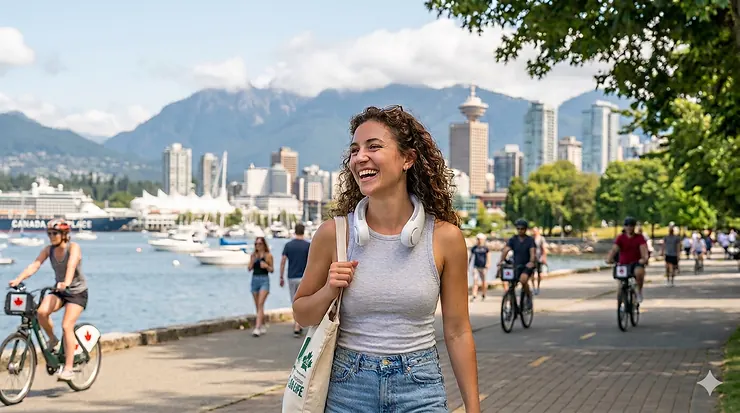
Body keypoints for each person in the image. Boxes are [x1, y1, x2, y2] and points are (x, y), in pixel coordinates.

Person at [292, 105, 480, 412]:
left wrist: (473, 408)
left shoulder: (446, 238)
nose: (359, 157)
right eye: (354, 150)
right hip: (348, 387)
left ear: (407, 159)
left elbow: (458, 330)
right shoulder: (334, 235)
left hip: (420, 387)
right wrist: (329, 289)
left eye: (373, 146)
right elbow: (302, 314)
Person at [8, 218, 88, 382]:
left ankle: (68, 368)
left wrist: (66, 282)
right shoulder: (48, 250)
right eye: (49, 233)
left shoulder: (74, 248)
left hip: (77, 293)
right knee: (41, 312)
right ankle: (53, 340)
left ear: (64, 234)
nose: (51, 236)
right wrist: (18, 279)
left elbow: (72, 265)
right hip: (59, 290)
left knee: (67, 325)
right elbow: (35, 265)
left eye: (55, 233)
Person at [606, 217, 649, 302]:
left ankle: (639, 292)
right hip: (623, 264)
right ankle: (621, 302)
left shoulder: (639, 238)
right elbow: (614, 249)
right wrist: (609, 259)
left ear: (634, 227)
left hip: (636, 263)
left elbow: (643, 249)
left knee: (639, 273)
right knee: (620, 284)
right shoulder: (620, 238)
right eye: (627, 225)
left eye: (631, 225)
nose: (629, 227)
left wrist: (644, 258)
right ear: (624, 227)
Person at [280, 223, 311, 337]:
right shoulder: (308, 246)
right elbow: (312, 262)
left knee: (294, 301)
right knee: (304, 300)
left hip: (291, 276)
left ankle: (296, 325)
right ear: (303, 231)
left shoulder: (288, 245)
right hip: (304, 277)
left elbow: (283, 261)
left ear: (294, 231)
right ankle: (300, 324)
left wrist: (281, 276)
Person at [497, 219, 536, 299]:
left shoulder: (530, 240)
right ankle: (512, 302)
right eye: (518, 229)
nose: (520, 230)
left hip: (526, 265)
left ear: (525, 229)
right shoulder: (513, 239)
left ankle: (528, 297)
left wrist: (531, 262)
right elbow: (506, 250)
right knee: (510, 282)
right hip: (515, 265)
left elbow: (532, 252)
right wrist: (501, 261)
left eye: (522, 229)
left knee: (523, 280)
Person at [248, 236, 273, 337]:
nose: (258, 246)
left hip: (264, 280)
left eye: (259, 244)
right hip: (255, 279)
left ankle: (257, 327)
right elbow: (249, 268)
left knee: (260, 303)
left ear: (264, 245)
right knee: (257, 305)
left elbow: (272, 270)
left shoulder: (268, 256)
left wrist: (266, 266)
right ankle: (262, 325)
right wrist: (252, 262)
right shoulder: (253, 255)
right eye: (256, 244)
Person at [469, 233, 490, 301]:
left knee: (484, 281)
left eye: (480, 239)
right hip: (476, 267)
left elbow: (488, 256)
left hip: (483, 267)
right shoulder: (474, 248)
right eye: (478, 239)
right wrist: (468, 265)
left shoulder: (485, 248)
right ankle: (474, 295)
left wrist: (488, 264)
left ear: (483, 240)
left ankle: (484, 294)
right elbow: (470, 257)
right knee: (475, 281)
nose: (479, 240)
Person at [532, 226, 548, 295]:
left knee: (539, 273)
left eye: (535, 231)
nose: (534, 232)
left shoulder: (541, 239)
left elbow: (544, 249)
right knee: (531, 273)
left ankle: (538, 287)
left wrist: (544, 258)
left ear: (538, 231)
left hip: (539, 258)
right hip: (532, 258)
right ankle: (533, 287)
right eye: (533, 231)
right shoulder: (531, 239)